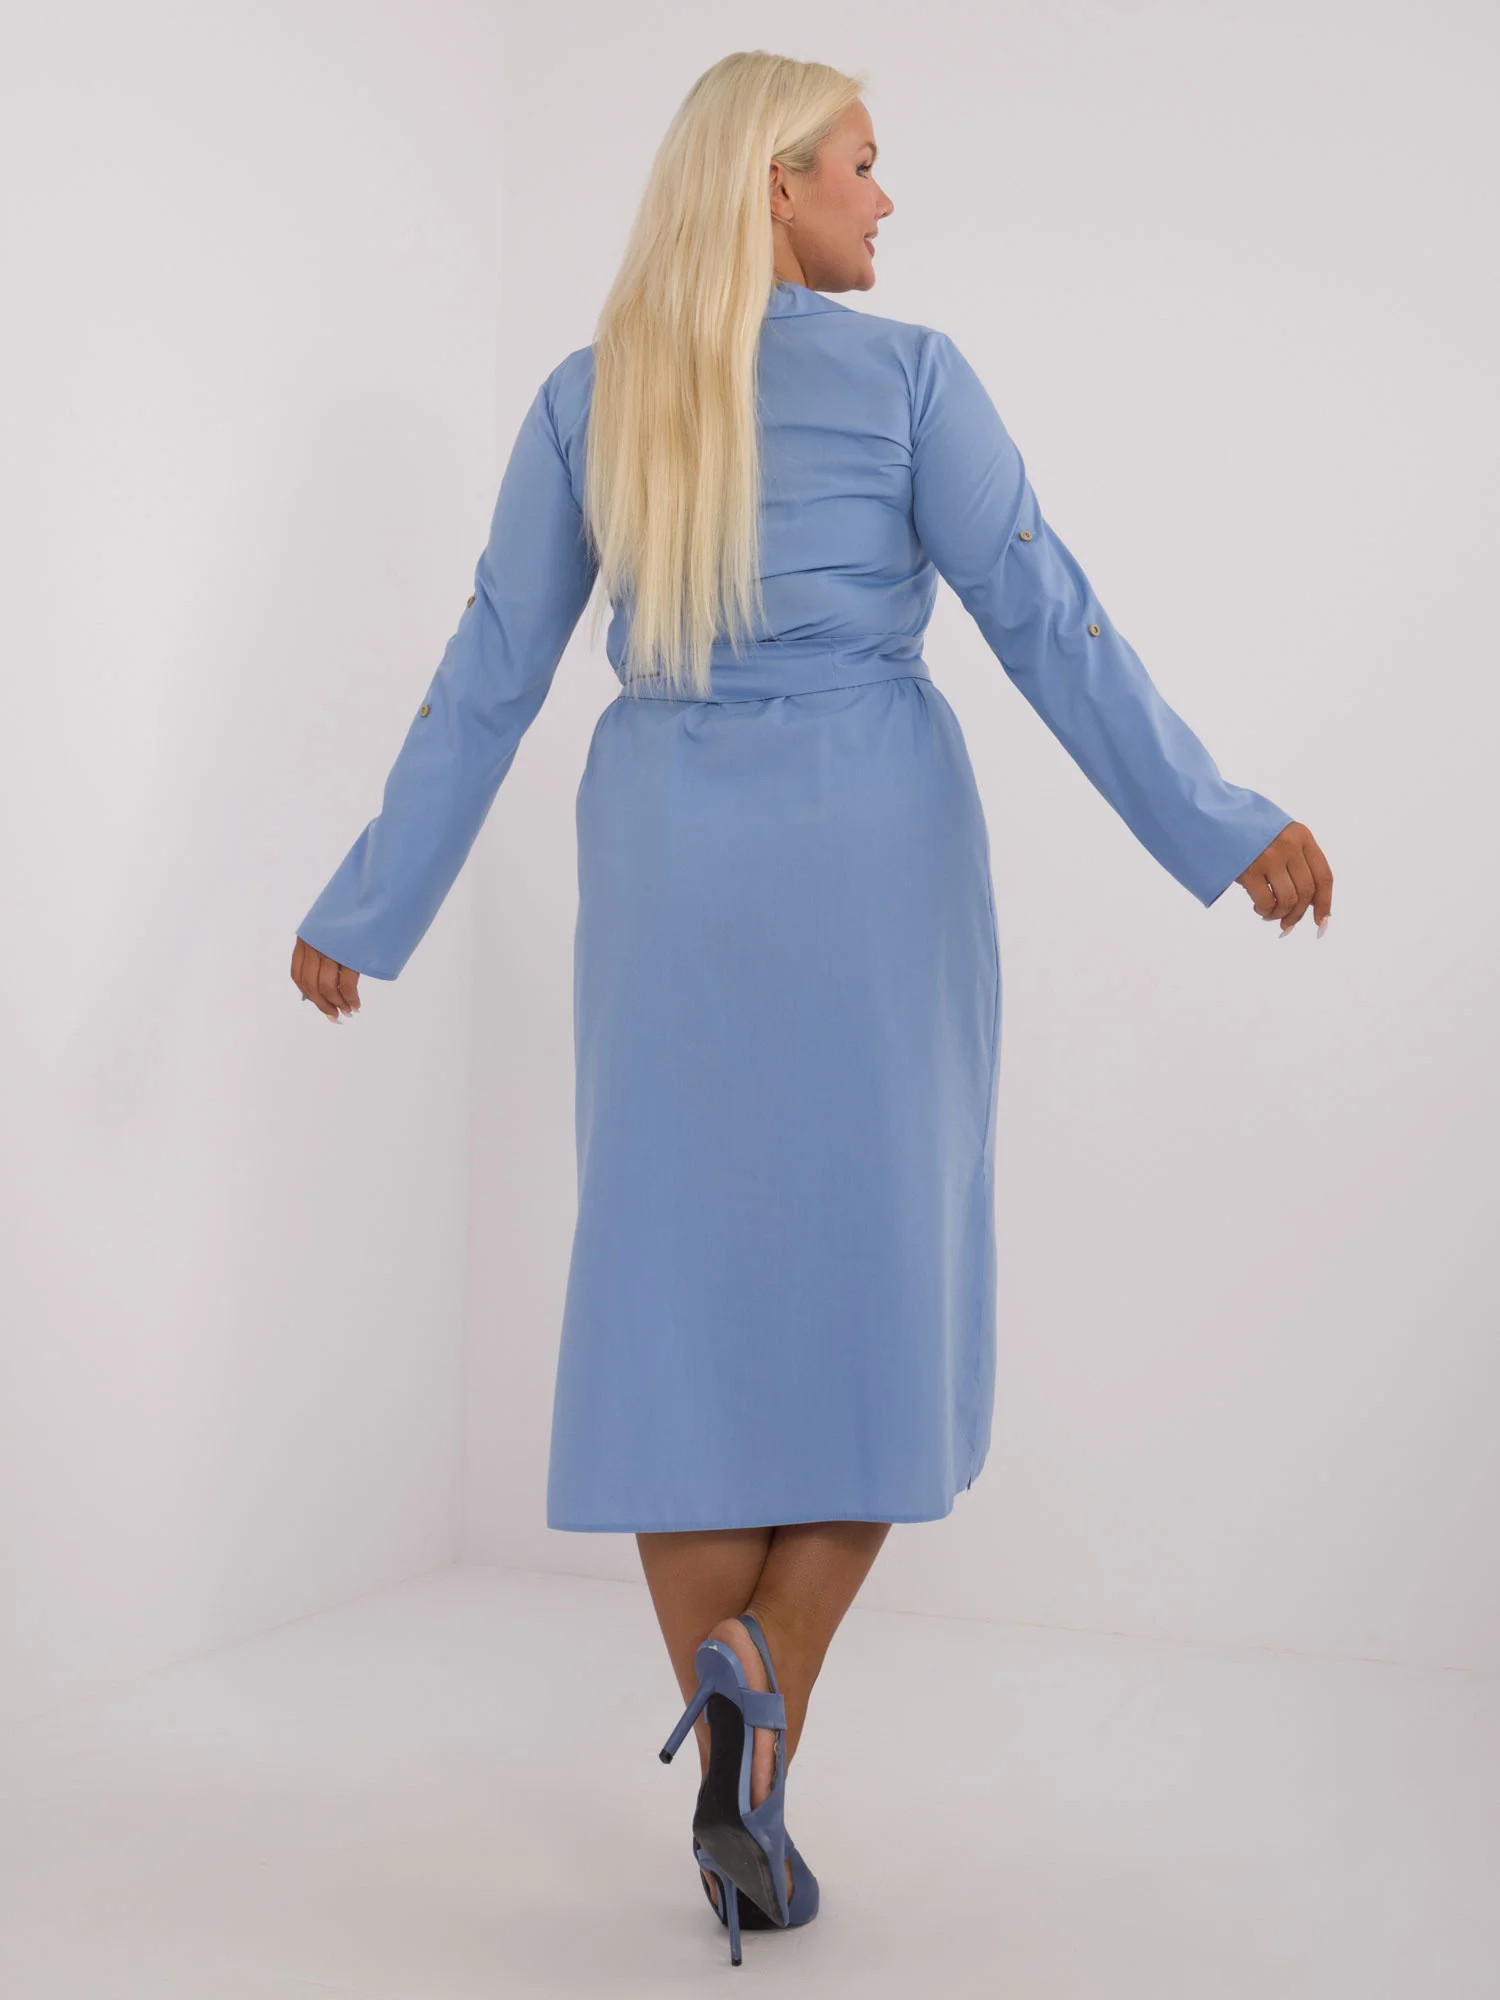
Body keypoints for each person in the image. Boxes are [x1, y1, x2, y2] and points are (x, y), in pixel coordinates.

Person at [290, 50, 1332, 1957]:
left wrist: (370, 905)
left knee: (672, 1311)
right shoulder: (916, 378)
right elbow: (1048, 621)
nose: (884, 197)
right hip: (872, 865)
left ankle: (735, 1772)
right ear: (776, 187)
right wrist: (1223, 821)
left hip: (667, 871)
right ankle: (766, 1665)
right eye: (862, 163)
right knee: (886, 1298)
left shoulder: (590, 397)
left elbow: (492, 669)